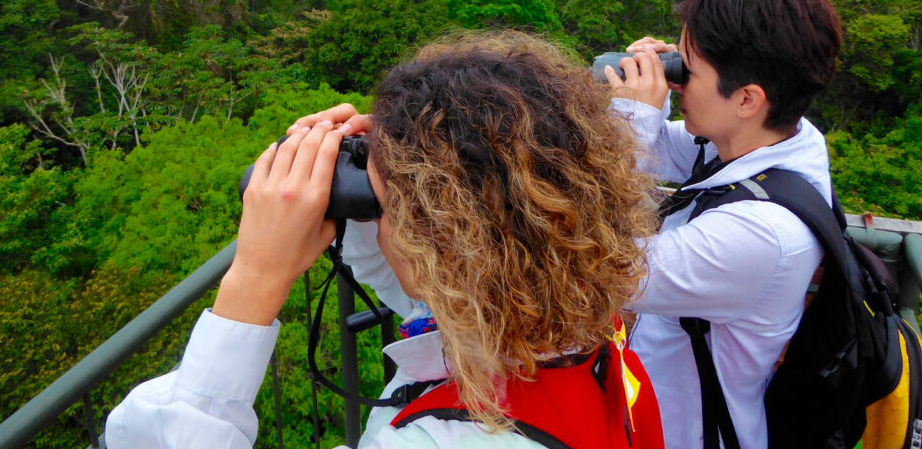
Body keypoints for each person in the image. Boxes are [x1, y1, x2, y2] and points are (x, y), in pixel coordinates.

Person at [105, 31, 664, 448]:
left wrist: (255, 278)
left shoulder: (433, 443)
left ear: (447, 243)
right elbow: (425, 288)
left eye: (385, 208)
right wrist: (376, 183)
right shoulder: (580, 326)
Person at [604, 0, 843, 449]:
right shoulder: (771, 135)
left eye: (685, 69)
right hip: (655, 406)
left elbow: (600, 264)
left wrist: (633, 118)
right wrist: (640, 91)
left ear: (748, 99)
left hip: (686, 432)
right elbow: (647, 150)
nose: (677, 80)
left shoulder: (761, 234)